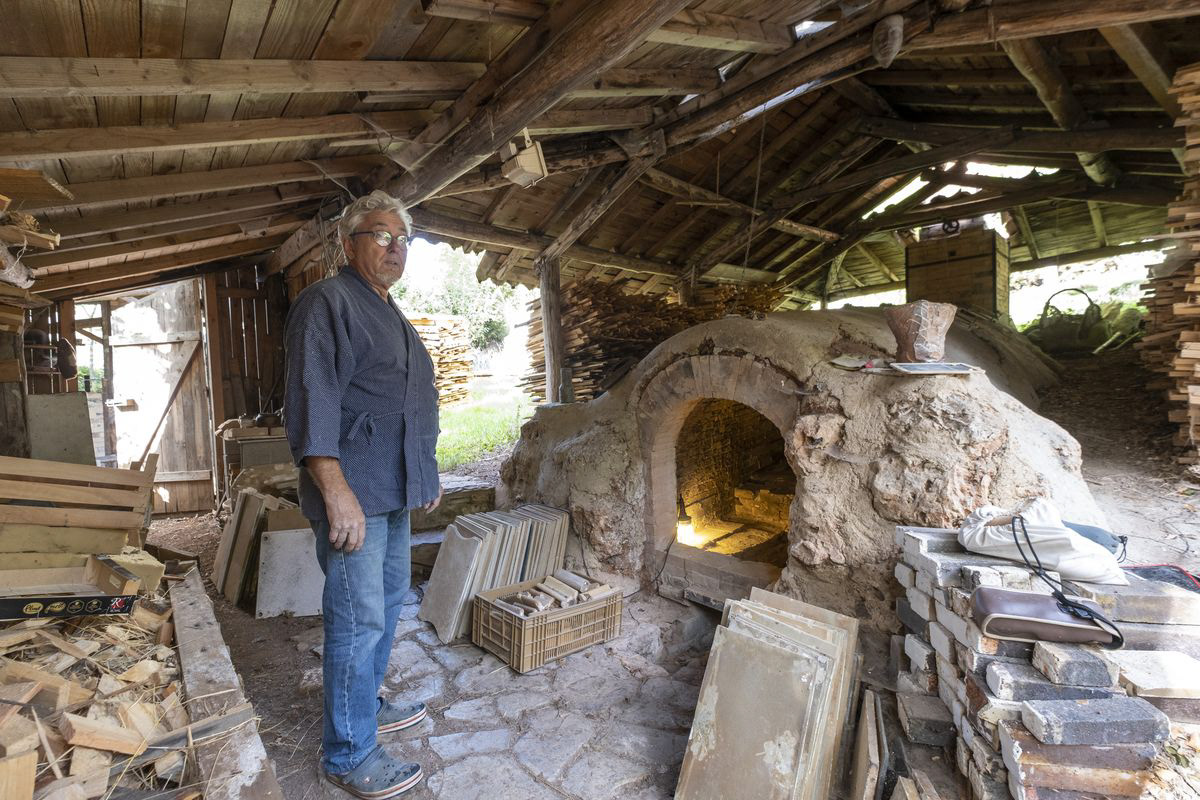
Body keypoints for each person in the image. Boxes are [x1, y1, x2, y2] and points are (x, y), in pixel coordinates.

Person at [284, 190, 443, 798]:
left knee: (386, 601)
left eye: (404, 240)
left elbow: (402, 402)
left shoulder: (389, 311)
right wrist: (335, 493)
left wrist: (422, 472)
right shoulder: (327, 302)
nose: (395, 248)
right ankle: (348, 753)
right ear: (348, 243)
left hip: (393, 487)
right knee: (357, 618)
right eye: (382, 235)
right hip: (354, 490)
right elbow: (313, 400)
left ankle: (362, 708)